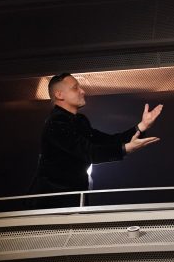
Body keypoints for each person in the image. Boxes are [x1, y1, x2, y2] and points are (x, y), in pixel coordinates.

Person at [31, 72, 163, 194]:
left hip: (73, 197)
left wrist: (142, 126)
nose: (82, 91)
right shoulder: (56, 122)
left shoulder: (80, 121)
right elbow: (89, 152)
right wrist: (125, 149)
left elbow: (108, 141)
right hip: (52, 201)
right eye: (75, 88)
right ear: (59, 95)